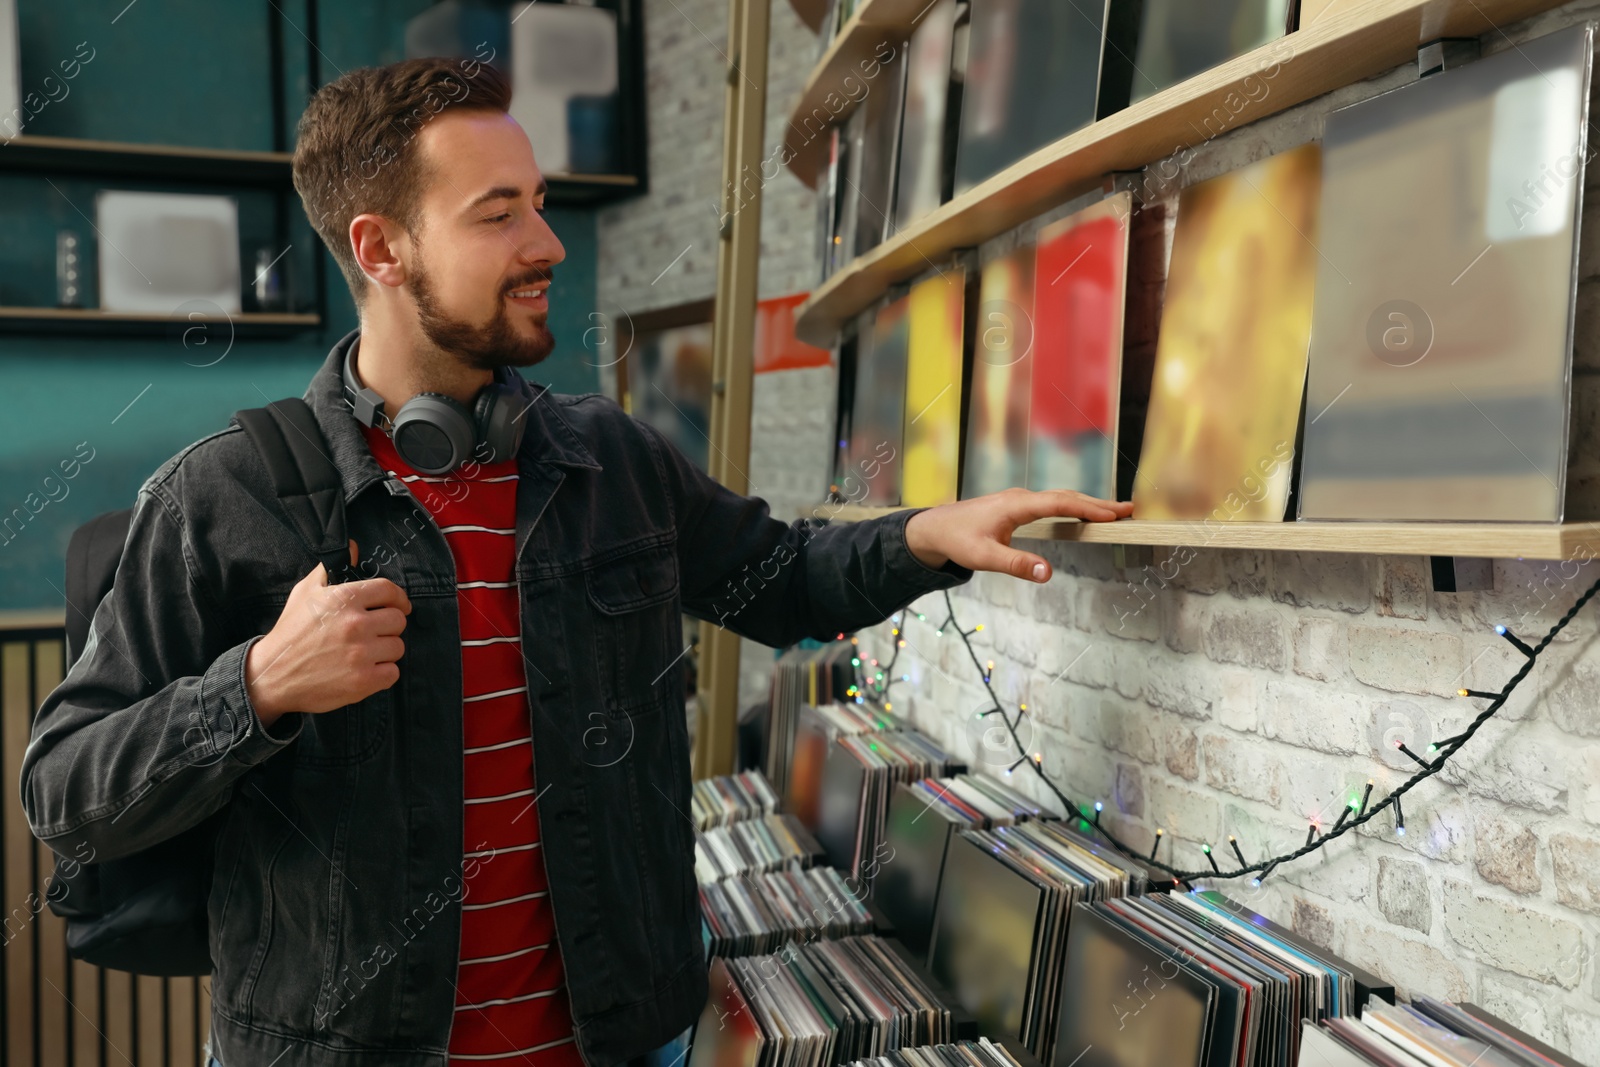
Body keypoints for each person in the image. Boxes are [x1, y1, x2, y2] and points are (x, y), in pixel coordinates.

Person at [21, 57, 1133, 1067]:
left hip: (620, 1037)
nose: (546, 243)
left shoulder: (607, 457)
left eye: (541, 203)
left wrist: (927, 534)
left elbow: (782, 580)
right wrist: (257, 685)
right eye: (498, 214)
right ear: (380, 248)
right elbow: (63, 791)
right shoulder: (223, 493)